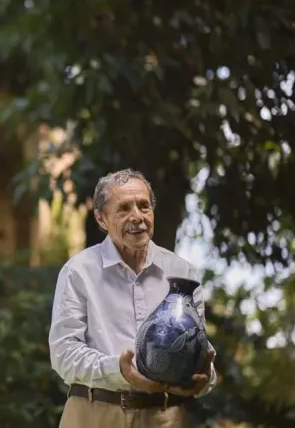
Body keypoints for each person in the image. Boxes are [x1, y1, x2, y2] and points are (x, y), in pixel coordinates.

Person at [49, 169, 218, 428]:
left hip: (165, 418)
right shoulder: (78, 271)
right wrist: (119, 371)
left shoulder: (181, 271)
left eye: (144, 206)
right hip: (94, 415)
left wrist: (204, 378)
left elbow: (198, 347)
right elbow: (64, 354)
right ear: (101, 218)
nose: (137, 216)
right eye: (124, 208)